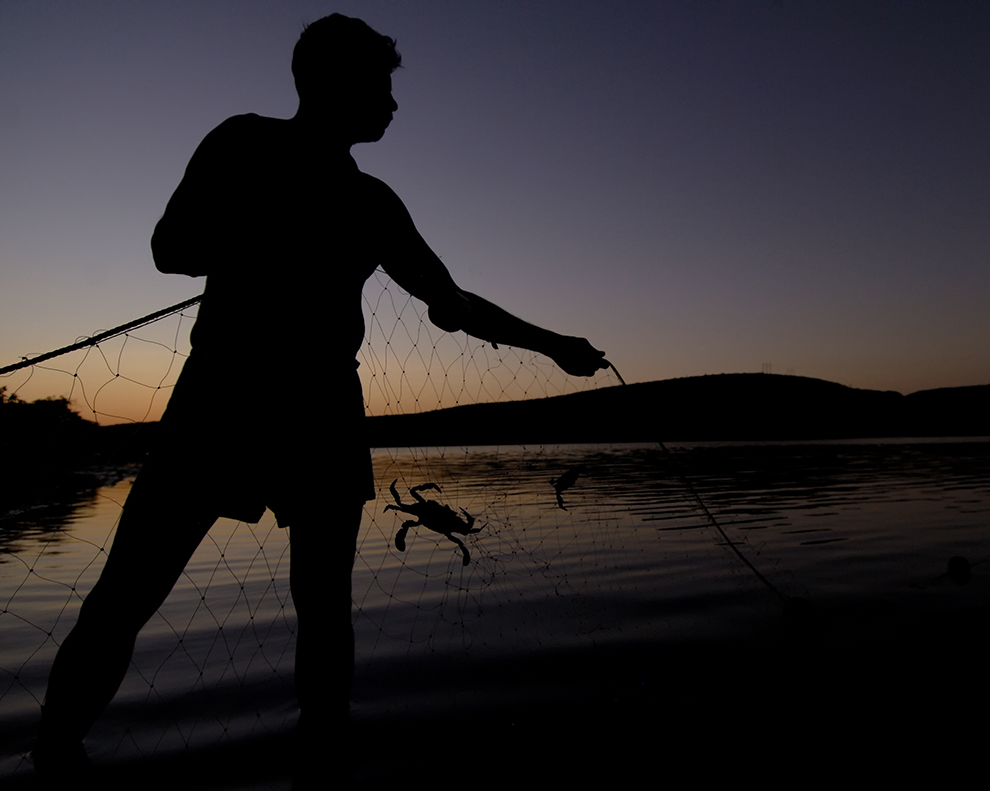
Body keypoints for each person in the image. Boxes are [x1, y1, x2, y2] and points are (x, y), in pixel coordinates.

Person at [33, 14, 608, 786]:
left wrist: (554, 345)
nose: (394, 105)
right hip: (221, 403)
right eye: (383, 87)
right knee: (125, 595)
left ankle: (322, 760)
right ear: (335, 85)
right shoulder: (241, 140)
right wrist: (267, 226)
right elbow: (172, 247)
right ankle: (53, 753)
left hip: (324, 410)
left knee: (324, 609)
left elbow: (450, 300)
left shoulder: (375, 202)